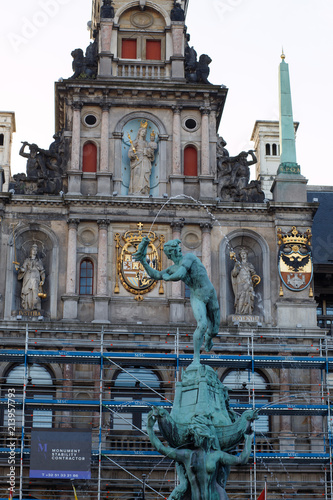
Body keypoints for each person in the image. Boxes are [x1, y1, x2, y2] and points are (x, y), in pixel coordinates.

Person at [134, 237, 220, 365]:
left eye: (179, 249)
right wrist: (143, 262)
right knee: (201, 325)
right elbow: (156, 275)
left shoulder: (189, 258)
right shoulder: (172, 268)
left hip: (210, 293)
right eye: (177, 250)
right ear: (171, 253)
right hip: (197, 296)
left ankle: (208, 338)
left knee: (214, 331)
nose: (179, 252)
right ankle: (196, 358)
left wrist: (168, 279)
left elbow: (180, 274)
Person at [147, 409, 254, 500]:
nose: (195, 438)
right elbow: (161, 448)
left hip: (217, 497)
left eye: (198, 435)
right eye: (194, 435)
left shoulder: (217, 455)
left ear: (205, 436)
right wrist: (150, 428)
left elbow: (241, 459)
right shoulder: (187, 455)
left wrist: (248, 440)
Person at [128, 123, 157, 196]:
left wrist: (149, 152)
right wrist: (133, 155)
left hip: (145, 160)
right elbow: (130, 152)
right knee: (137, 174)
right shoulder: (135, 142)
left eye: (145, 132)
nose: (144, 133)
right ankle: (135, 190)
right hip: (137, 161)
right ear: (139, 132)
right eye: (142, 132)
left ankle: (144, 190)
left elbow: (151, 155)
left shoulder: (147, 143)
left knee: (145, 174)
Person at [18, 244, 45, 310]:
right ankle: (27, 307)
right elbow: (24, 269)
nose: (34, 251)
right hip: (27, 277)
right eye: (33, 250)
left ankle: (35, 306)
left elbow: (42, 271)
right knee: (27, 292)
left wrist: (43, 280)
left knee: (35, 291)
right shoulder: (27, 260)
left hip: (36, 277)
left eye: (36, 250)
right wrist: (19, 268)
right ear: (31, 251)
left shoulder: (39, 261)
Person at [231, 248, 257, 314]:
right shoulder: (238, 264)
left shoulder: (249, 265)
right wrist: (236, 268)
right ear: (240, 255)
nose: (243, 255)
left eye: (244, 254)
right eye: (242, 254)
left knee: (247, 296)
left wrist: (254, 277)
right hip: (240, 283)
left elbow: (254, 275)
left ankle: (247, 311)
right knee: (240, 297)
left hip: (248, 283)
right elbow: (234, 274)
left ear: (246, 255)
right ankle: (239, 311)